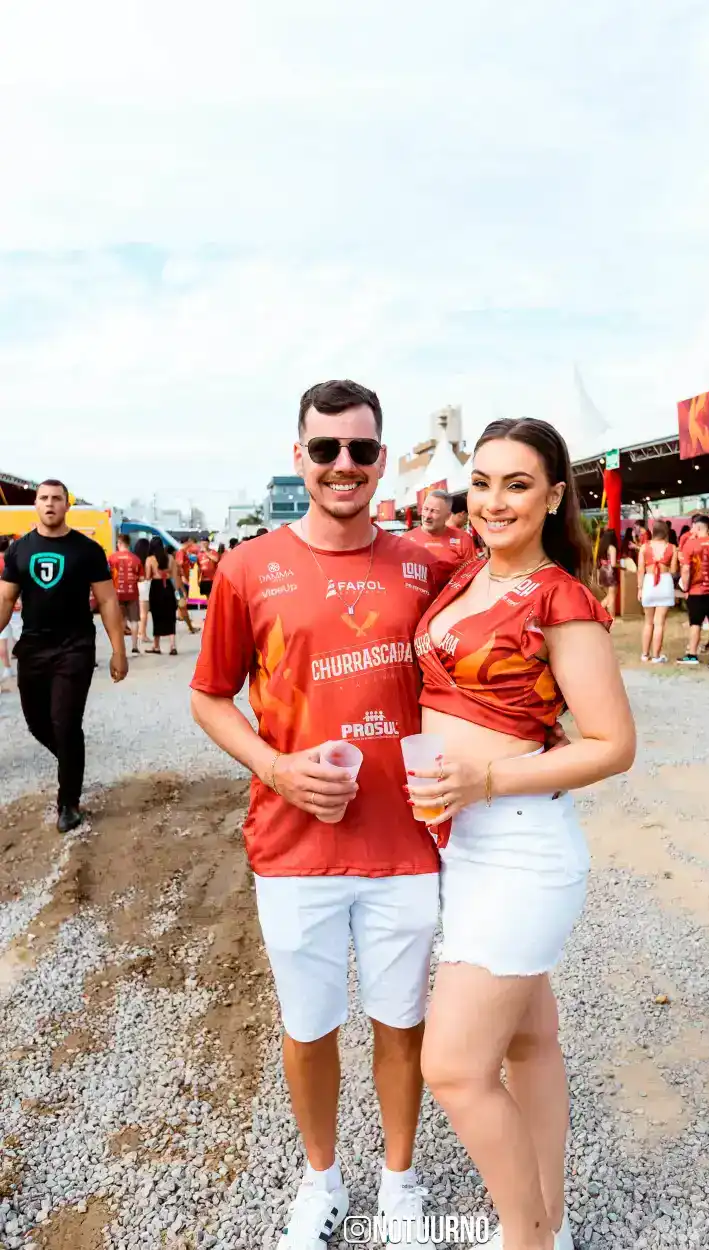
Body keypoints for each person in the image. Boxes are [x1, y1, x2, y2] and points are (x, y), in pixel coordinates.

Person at [190, 379, 445, 1250]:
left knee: (401, 1024)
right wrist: (275, 768)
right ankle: (322, 1181)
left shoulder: (427, 566)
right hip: (294, 845)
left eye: (360, 450)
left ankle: (400, 1186)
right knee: (308, 1027)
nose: (344, 465)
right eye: (326, 449)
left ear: (381, 458)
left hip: (406, 843)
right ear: (297, 456)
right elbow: (210, 695)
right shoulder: (246, 567)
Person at [408, 418, 636, 1250]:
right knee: (530, 1044)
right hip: (466, 844)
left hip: (520, 847)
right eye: (481, 482)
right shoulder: (467, 574)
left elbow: (613, 745)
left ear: (551, 497)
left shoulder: (559, 597)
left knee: (453, 1068)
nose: (493, 501)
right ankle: (552, 1223)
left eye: (516, 484)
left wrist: (488, 779)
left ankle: (525, 1238)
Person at [0, 479, 128, 831]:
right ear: (36, 504)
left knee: (65, 722)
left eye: (56, 498)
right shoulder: (19, 550)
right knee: (36, 723)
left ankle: (68, 803)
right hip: (32, 648)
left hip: (75, 647)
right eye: (43, 498)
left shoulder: (87, 550)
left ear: (67, 505)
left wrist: (119, 651)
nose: (50, 503)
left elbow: (107, 600)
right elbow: (6, 600)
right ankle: (72, 760)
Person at [677, 515, 709, 666]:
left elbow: (686, 570)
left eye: (693, 527)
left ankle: (692, 655)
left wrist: (686, 588)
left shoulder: (690, 545)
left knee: (695, 623)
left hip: (696, 591)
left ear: (698, 527)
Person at [405, 488, 476, 581]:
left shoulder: (463, 539)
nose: (427, 516)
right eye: (425, 509)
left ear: (447, 516)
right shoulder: (406, 539)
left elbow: (472, 576)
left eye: (434, 511)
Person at [637, 521, 678, 663]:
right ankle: (656, 656)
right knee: (659, 623)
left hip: (649, 582)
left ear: (653, 531)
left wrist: (640, 588)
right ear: (666, 532)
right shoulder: (672, 548)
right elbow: (674, 570)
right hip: (665, 582)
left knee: (648, 622)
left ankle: (644, 654)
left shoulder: (644, 547)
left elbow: (640, 570)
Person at [145, 537, 182, 655]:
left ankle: (156, 646)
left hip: (156, 588)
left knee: (157, 617)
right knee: (170, 617)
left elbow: (147, 576)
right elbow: (175, 577)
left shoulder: (150, 559)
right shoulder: (171, 558)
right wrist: (179, 595)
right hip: (168, 588)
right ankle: (173, 646)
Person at [108, 533, 144, 656]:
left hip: (117, 593)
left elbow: (107, 575)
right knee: (134, 620)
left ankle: (120, 648)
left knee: (120, 620)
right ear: (129, 544)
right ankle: (134, 647)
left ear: (119, 543)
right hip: (132, 593)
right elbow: (141, 578)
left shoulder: (112, 558)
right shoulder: (136, 559)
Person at [0, 535, 18, 686]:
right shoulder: (11, 559)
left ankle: (7, 668)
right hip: (14, 603)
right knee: (21, 637)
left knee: (2, 640)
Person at [596, 527, 618, 618]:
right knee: (611, 597)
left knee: (609, 595)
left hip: (602, 572)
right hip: (610, 573)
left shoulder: (601, 547)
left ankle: (598, 611)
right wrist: (621, 565)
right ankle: (611, 617)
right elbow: (613, 564)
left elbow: (599, 562)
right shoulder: (612, 548)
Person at [134, 537, 152, 645]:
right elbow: (149, 575)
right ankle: (143, 634)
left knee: (138, 612)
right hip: (145, 585)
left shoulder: (135, 559)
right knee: (144, 612)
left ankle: (139, 632)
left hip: (136, 585)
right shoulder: (149, 559)